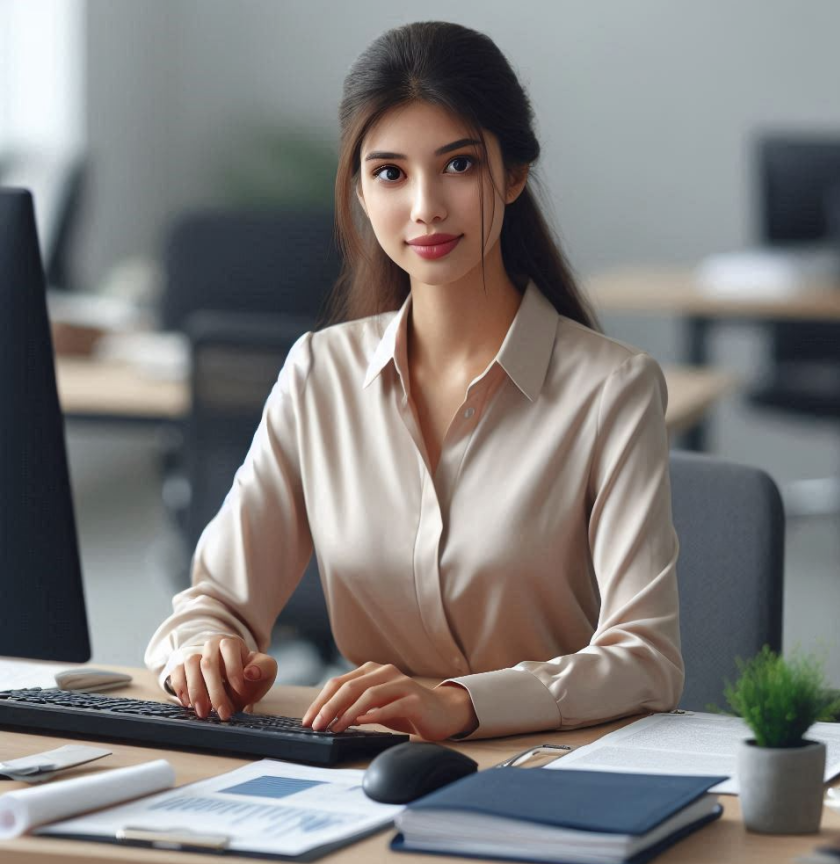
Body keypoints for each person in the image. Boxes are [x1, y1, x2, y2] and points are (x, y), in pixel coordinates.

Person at [145, 21, 684, 742]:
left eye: (458, 165)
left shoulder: (612, 391)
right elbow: (212, 600)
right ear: (362, 193)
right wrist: (202, 650)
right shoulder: (319, 374)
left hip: (551, 765)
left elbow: (647, 659)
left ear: (513, 174)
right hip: (367, 769)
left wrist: (461, 702)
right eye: (390, 173)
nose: (424, 205)